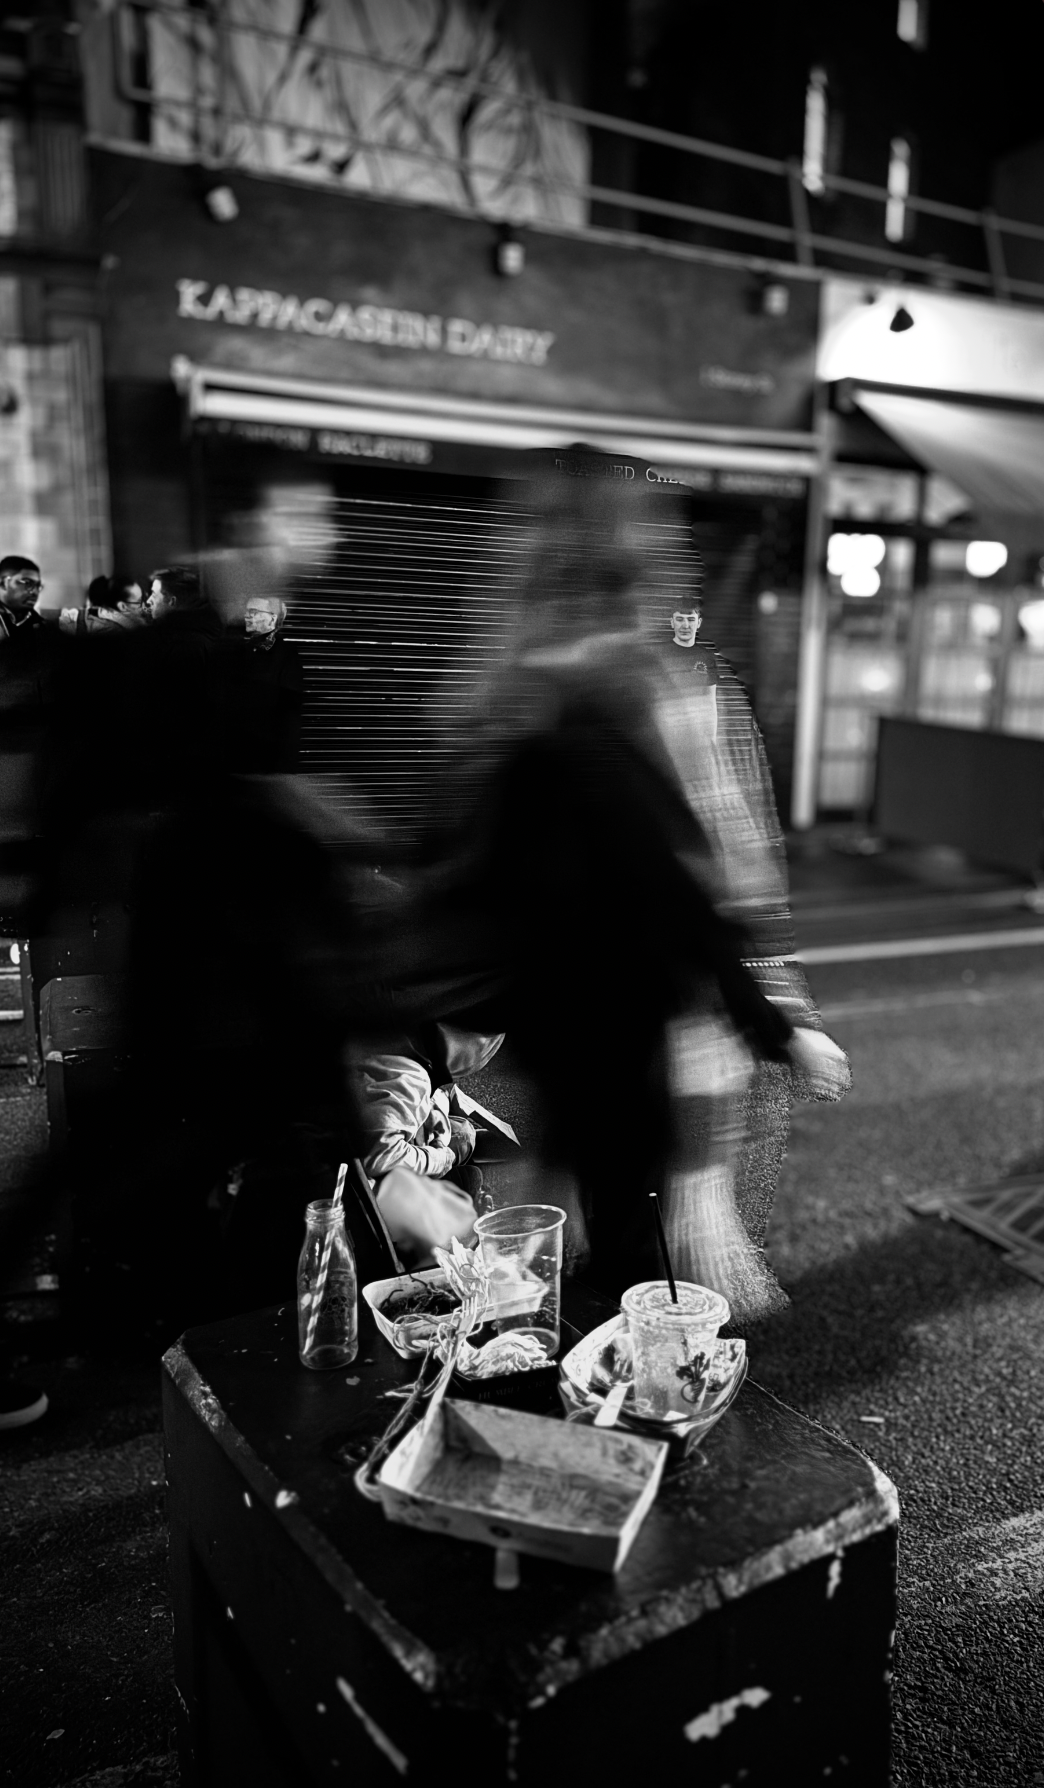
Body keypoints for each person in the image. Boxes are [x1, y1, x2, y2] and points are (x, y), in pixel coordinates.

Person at [405, 461, 804, 1318]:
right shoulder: (600, 706)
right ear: (618, 573)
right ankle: (628, 1399)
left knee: (595, 1217)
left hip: (562, 1028)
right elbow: (673, 885)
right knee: (630, 1258)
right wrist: (771, 1020)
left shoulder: (510, 693)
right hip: (621, 1028)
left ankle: (583, 1354)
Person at [653, 595, 850, 1263]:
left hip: (679, 1013)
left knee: (690, 1162)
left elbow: (738, 918)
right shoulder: (658, 793)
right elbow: (711, 932)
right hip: (670, 1013)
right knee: (683, 1167)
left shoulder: (699, 773)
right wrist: (785, 1024)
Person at [348, 1023, 503, 1264]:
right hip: (364, 1198)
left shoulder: (387, 1043)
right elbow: (380, 1156)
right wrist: (444, 1159)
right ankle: (451, 1247)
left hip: (360, 1160)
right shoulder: (412, 1076)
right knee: (470, 1183)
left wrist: (428, 1108)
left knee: (463, 1137)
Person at [224, 594, 304, 773]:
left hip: (266, 757)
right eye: (246, 611)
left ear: (272, 619)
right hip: (242, 752)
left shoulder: (285, 655)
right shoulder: (243, 650)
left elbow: (289, 712)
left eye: (253, 612)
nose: (246, 616)